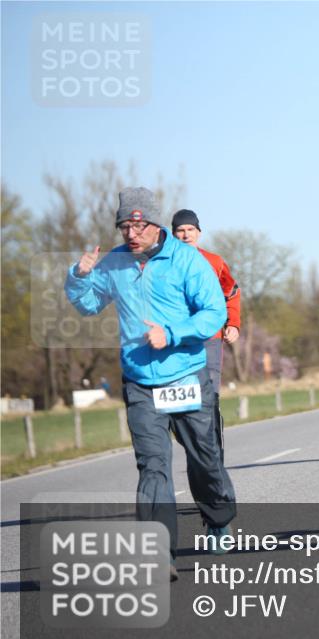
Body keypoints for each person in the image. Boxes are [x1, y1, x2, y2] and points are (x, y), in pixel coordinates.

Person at [65, 187, 237, 580]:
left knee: (204, 457)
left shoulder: (187, 260)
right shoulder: (115, 262)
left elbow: (213, 312)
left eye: (137, 226)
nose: (130, 233)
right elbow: (88, 304)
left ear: (156, 224)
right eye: (124, 226)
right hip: (141, 382)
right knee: (152, 466)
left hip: (187, 374)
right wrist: (80, 276)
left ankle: (218, 518)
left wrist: (172, 334)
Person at [171, 210, 242, 396]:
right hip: (175, 338)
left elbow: (232, 293)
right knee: (179, 392)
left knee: (209, 390)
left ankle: (212, 415)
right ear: (173, 234)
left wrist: (233, 324)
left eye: (190, 229)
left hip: (209, 337)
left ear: (198, 232)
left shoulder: (215, 262)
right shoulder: (162, 263)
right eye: (180, 230)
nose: (186, 235)